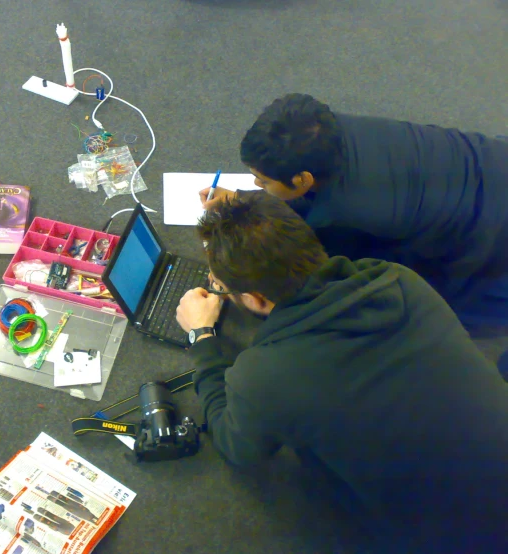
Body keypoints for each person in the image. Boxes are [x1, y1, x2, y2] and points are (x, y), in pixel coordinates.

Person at [176, 193, 508, 553]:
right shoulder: (399, 280)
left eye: (222, 284)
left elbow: (235, 445)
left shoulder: (265, 376)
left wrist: (202, 336)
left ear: (255, 298)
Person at [200, 93, 508, 327]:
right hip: (491, 159)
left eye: (263, 180)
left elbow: (312, 266)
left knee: (446, 307)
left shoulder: (346, 214)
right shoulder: (326, 128)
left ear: (302, 179)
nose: (256, 182)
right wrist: (243, 197)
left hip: (487, 233)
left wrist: (235, 267)